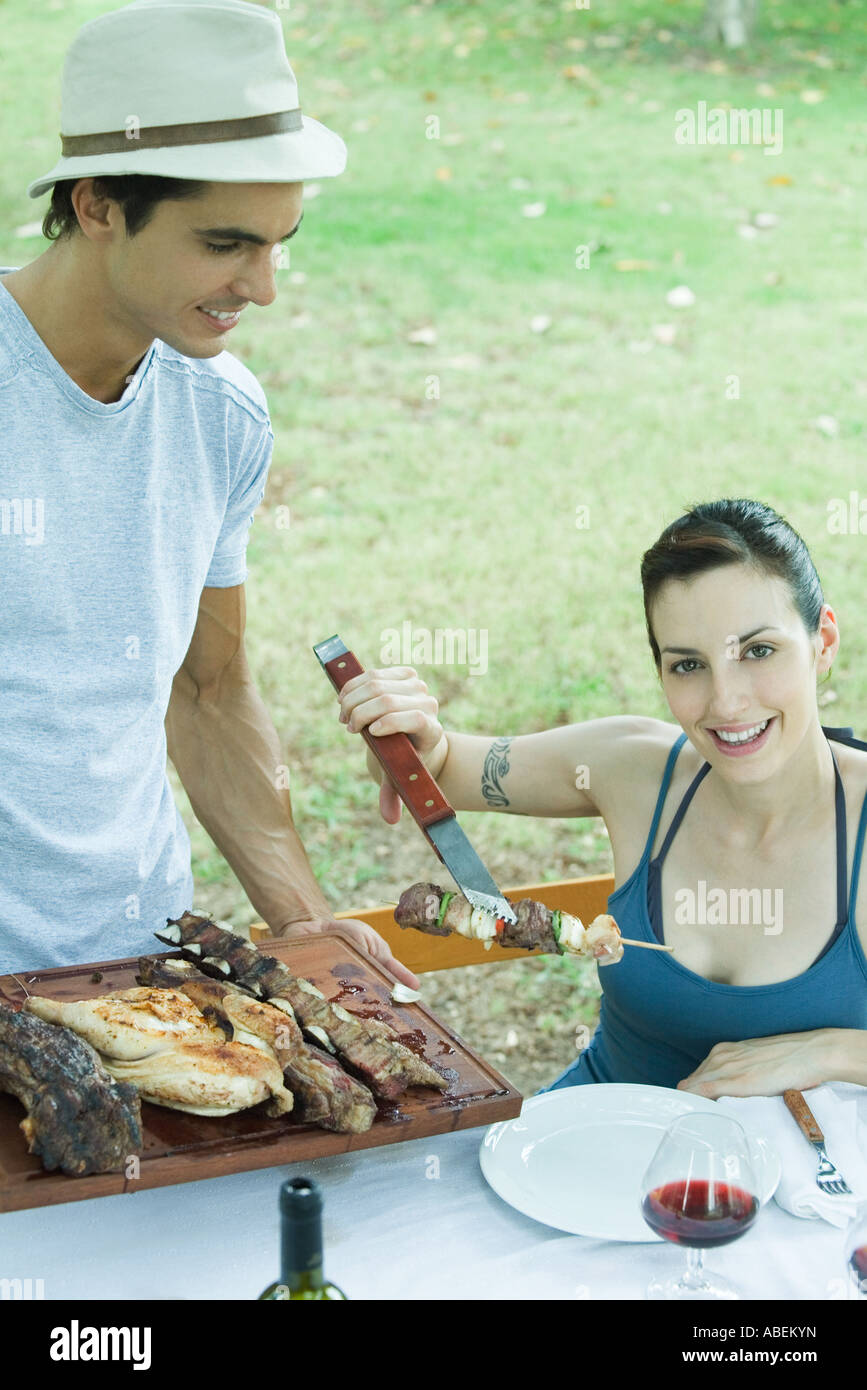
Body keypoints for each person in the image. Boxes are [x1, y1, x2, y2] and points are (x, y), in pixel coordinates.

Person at [0, 0, 417, 986]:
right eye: (227, 243)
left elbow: (209, 687)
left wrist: (304, 921)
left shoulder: (222, 413)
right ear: (100, 204)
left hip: (140, 969)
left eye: (281, 243)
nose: (263, 286)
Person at [336, 498, 867, 1095]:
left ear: (823, 641)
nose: (727, 702)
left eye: (758, 651)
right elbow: (445, 768)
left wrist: (834, 1052)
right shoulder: (633, 766)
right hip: (589, 1142)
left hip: (797, 1181)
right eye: (688, 664)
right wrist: (406, 733)